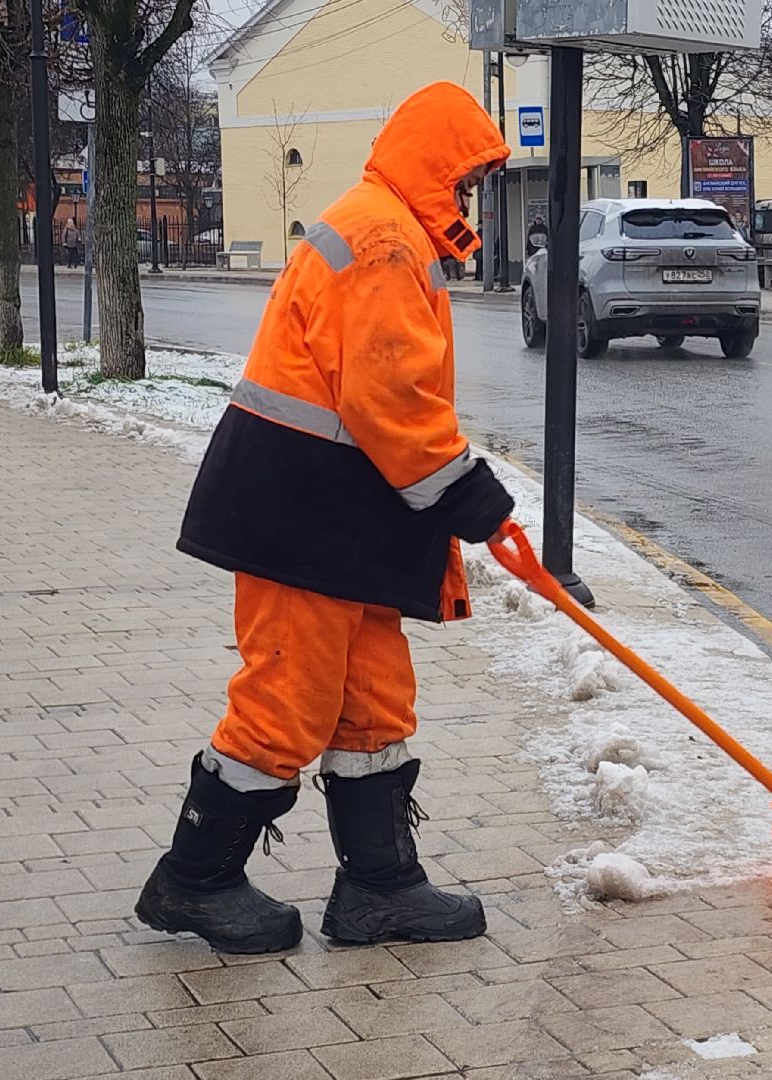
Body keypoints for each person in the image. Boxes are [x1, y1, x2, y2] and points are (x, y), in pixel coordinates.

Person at [136, 81, 514, 955]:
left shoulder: (394, 232)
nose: (470, 199)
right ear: (434, 166)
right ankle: (194, 880)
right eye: (466, 180)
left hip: (340, 519)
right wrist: (464, 493)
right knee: (286, 701)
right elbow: (389, 394)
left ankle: (380, 887)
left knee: (372, 701)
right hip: (298, 516)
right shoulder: (381, 240)